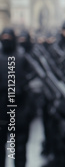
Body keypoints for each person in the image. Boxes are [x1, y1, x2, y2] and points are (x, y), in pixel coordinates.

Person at [0, 28, 34, 167]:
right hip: (1, 112)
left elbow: (33, 79)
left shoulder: (22, 58)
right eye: (4, 37)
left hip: (19, 111)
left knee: (19, 149)